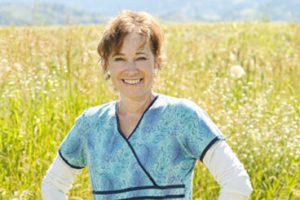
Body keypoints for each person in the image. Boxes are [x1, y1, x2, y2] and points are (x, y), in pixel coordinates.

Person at [41, 11, 253, 200]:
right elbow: (53, 186)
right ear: (107, 64)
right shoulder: (91, 124)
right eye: (120, 58)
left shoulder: (182, 116)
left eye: (140, 57)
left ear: (157, 61)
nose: (131, 69)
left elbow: (237, 183)